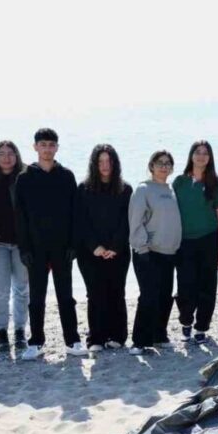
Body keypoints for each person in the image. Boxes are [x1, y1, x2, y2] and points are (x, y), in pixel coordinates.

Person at [15, 128, 87, 360]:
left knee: (65, 296)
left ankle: (73, 341)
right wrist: (24, 248)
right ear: (35, 147)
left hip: (62, 247)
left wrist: (73, 244)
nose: (47, 148)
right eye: (42, 144)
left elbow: (76, 213)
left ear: (57, 147)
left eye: (51, 144)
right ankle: (36, 342)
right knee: (36, 297)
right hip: (35, 248)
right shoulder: (24, 178)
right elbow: (20, 216)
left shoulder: (66, 176)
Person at [74, 144, 133, 351]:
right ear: (94, 164)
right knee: (95, 293)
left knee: (117, 292)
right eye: (100, 161)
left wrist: (115, 246)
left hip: (119, 251)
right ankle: (96, 338)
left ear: (115, 163)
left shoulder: (126, 189)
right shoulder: (84, 188)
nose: (105, 165)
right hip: (90, 252)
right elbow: (80, 221)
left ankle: (117, 336)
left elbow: (127, 221)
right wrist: (95, 247)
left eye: (109, 161)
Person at [172, 141, 218, 344]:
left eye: (205, 153)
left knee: (207, 286)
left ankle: (201, 327)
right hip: (184, 242)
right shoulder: (179, 182)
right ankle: (186, 321)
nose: (201, 156)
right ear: (191, 155)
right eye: (197, 152)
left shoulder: (215, 184)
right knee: (186, 286)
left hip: (209, 240)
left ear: (210, 157)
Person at [128, 150, 182, 354]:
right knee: (148, 296)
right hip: (148, 251)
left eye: (168, 163)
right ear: (151, 166)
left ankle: (159, 335)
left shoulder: (171, 189)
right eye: (159, 163)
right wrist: (141, 248)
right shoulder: (143, 189)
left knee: (165, 295)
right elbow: (136, 222)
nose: (164, 166)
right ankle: (139, 341)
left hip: (169, 252)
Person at [0, 140, 29, 352]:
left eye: (11, 153)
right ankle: (1, 332)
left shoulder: (26, 176)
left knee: (21, 289)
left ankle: (20, 331)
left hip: (21, 243)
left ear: (17, 155)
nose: (6, 157)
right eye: (1, 153)